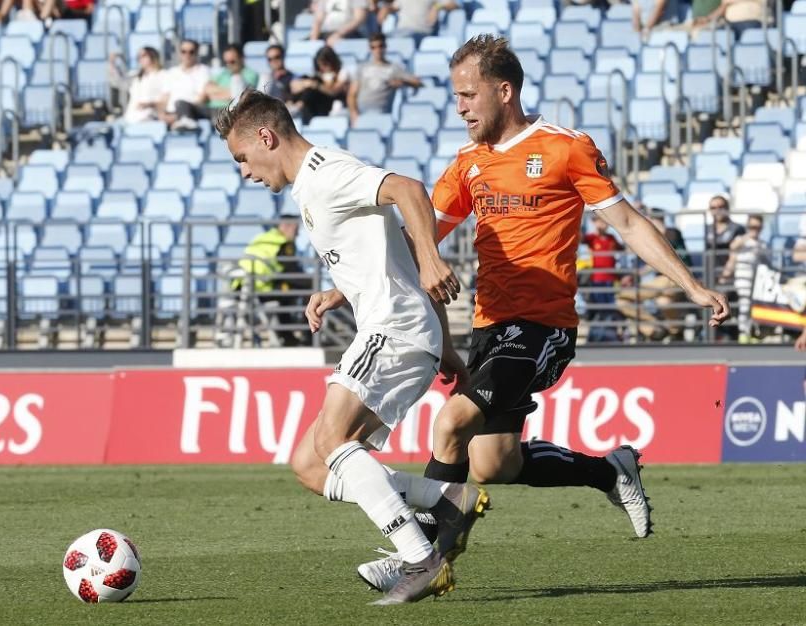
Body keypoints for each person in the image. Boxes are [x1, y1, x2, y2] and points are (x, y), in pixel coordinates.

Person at [356, 34, 730, 591]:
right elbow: (422, 238)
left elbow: (626, 222)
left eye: (467, 95)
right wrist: (350, 286)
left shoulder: (564, 147)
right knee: (494, 466)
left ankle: (420, 558)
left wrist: (690, 284)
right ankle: (609, 470)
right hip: (490, 325)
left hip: (543, 327)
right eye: (455, 96)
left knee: (450, 423)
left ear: (503, 91)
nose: (459, 107)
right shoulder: (469, 163)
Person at [215, 89, 489, 605]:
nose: (245, 172)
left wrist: (432, 261)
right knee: (310, 464)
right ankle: (445, 496)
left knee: (334, 442)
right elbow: (389, 256)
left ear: (266, 137)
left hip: (393, 329)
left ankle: (421, 558)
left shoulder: (325, 172)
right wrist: (442, 345)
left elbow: (408, 189)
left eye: (242, 158)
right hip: (400, 329)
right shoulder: (309, 187)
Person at [231, 215, 312, 346]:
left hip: (241, 286)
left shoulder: (262, 238)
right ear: (287, 226)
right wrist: (312, 282)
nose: (297, 234)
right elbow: (291, 269)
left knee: (287, 293)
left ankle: (289, 337)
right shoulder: (282, 243)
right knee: (307, 291)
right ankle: (308, 336)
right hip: (262, 287)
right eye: (296, 229)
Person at [616, 207, 691, 341]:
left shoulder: (673, 232)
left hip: (677, 278)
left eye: (650, 218)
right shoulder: (649, 236)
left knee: (663, 301)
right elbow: (649, 260)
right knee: (623, 301)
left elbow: (665, 238)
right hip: (662, 281)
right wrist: (636, 274)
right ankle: (656, 329)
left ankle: (673, 331)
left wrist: (655, 224)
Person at [347, 33, 422, 126]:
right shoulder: (362, 68)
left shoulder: (394, 68)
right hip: (361, 113)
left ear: (385, 47)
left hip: (381, 113)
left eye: (380, 46)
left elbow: (418, 82)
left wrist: (403, 82)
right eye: (373, 47)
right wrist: (354, 113)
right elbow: (352, 94)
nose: (377, 50)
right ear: (370, 49)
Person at [720, 214, 768, 342]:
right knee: (745, 305)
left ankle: (751, 332)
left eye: (757, 227)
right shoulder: (741, 239)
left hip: (758, 280)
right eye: (752, 226)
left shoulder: (762, 244)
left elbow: (766, 262)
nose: (754, 229)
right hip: (743, 277)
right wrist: (748, 236)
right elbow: (733, 247)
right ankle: (743, 333)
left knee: (755, 306)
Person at [582, 213, 623, 342]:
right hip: (597, 279)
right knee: (599, 308)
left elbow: (622, 249)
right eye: (599, 221)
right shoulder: (592, 238)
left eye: (604, 221)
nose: (602, 224)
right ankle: (596, 336)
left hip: (611, 280)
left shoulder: (612, 238)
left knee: (610, 307)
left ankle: (609, 335)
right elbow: (581, 238)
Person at [159, 39, 212, 131]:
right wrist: (162, 115)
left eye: (191, 52)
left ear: (196, 53)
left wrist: (180, 115)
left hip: (192, 112)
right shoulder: (171, 73)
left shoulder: (203, 71)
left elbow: (202, 97)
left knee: (181, 104)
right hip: (171, 114)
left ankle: (184, 120)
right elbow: (164, 98)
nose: (187, 55)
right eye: (183, 51)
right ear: (179, 53)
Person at [290, 46, 351, 124]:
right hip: (318, 104)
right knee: (307, 81)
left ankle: (298, 106)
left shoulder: (343, 73)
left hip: (333, 103)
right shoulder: (321, 74)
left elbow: (334, 91)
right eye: (320, 65)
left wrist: (314, 84)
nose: (322, 68)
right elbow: (293, 86)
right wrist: (306, 83)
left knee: (313, 83)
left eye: (325, 64)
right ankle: (293, 104)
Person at [109, 47, 166, 124]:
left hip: (149, 117)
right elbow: (119, 83)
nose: (140, 59)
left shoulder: (162, 75)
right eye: (138, 56)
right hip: (131, 117)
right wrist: (112, 63)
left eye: (143, 55)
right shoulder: (136, 77)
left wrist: (149, 104)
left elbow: (166, 99)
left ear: (152, 56)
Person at [377, 0, 458, 39]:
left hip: (421, 31)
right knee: (379, 40)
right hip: (401, 31)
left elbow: (454, 5)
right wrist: (386, 8)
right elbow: (394, 6)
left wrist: (437, 7)